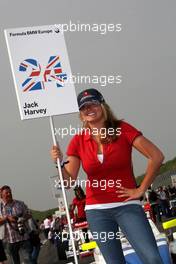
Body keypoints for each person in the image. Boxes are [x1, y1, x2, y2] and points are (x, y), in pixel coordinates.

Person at [51, 88, 166, 264]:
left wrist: (140, 189)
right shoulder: (78, 140)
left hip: (127, 206)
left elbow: (156, 156)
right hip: (97, 212)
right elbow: (69, 182)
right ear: (81, 115)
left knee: (152, 258)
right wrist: (59, 163)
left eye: (93, 104)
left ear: (103, 106)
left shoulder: (123, 129)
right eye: (83, 107)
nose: (88, 109)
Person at [0, 185, 32, 264]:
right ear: (2, 195)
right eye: (6, 193)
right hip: (9, 240)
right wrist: (7, 218)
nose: (9, 194)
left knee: (28, 260)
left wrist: (22, 219)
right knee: (15, 262)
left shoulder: (20, 203)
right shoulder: (0, 208)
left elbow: (29, 213)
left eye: (10, 192)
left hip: (23, 237)